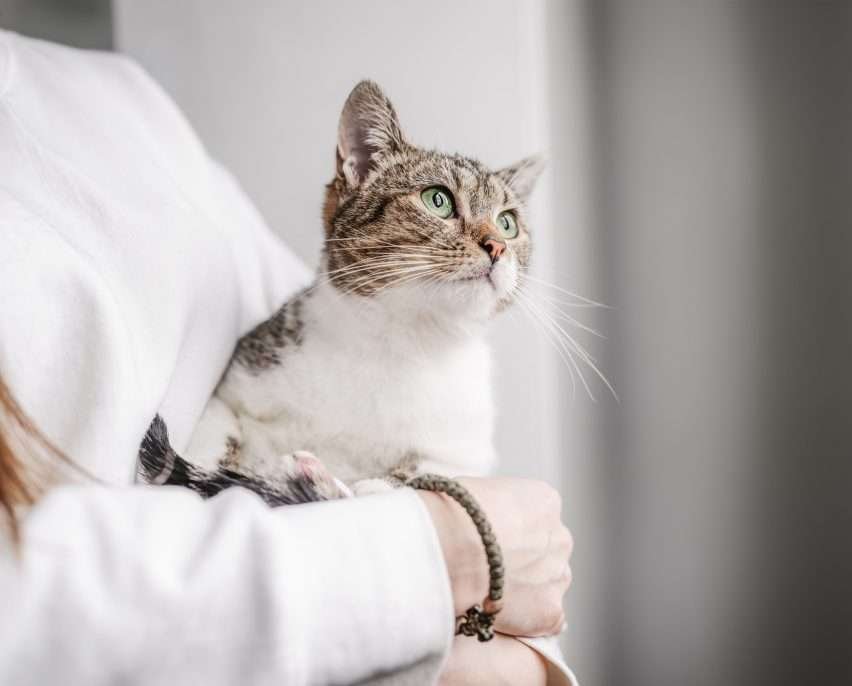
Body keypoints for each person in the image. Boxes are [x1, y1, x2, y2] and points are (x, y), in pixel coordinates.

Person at [0, 29, 575, 685]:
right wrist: (437, 556)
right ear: (358, 173)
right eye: (441, 203)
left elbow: (511, 592)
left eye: (507, 222)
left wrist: (521, 658)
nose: (491, 240)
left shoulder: (119, 97)